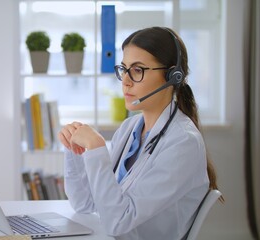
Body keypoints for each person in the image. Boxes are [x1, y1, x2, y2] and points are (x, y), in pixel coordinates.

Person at [58, 26, 221, 240]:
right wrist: (75, 149)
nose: (125, 80)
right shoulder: (130, 128)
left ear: (172, 75)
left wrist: (97, 148)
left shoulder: (183, 142)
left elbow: (119, 222)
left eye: (137, 70)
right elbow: (85, 204)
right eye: (124, 69)